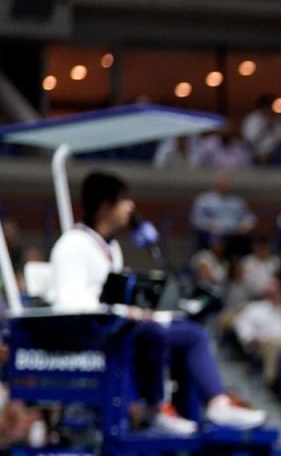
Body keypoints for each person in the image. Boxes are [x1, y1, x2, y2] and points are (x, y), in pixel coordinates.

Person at [47, 171, 265, 431]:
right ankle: (155, 409)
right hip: (90, 338)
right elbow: (70, 304)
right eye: (124, 201)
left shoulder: (111, 248)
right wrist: (127, 313)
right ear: (106, 207)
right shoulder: (72, 244)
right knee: (150, 332)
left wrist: (135, 311)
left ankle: (218, 404)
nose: (131, 207)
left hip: (119, 328)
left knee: (191, 333)